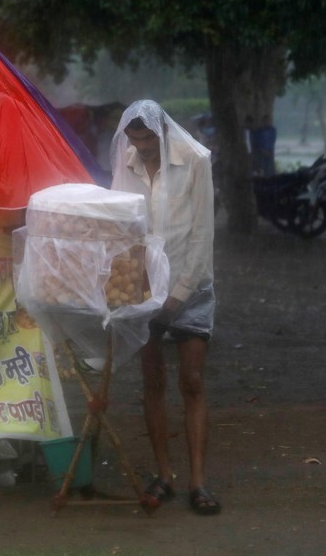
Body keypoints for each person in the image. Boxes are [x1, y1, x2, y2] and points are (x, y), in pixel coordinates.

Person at [109, 100, 221, 516]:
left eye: (147, 139)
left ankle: (198, 481)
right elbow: (121, 224)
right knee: (152, 382)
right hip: (145, 284)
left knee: (192, 380)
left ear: (162, 132)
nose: (141, 147)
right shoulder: (128, 160)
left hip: (191, 282)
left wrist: (180, 293)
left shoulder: (194, 159)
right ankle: (166, 475)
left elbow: (202, 232)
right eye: (134, 140)